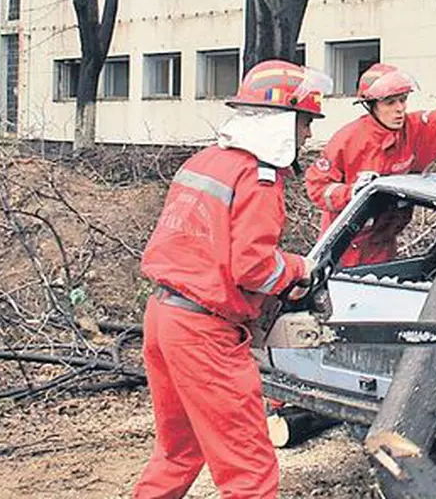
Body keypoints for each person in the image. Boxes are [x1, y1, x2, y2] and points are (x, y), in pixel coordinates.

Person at [133, 60, 331, 499]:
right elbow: (253, 266)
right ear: (283, 121)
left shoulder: (206, 161)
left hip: (164, 315)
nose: (308, 135)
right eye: (305, 123)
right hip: (206, 332)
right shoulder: (259, 177)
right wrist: (298, 270)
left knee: (178, 453)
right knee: (250, 471)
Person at [305, 63, 436, 267]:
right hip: (343, 248)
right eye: (390, 102)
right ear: (371, 105)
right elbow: (318, 187)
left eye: (402, 100)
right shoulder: (348, 140)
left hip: (383, 244)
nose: (399, 109)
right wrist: (353, 193)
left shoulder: (415, 131)